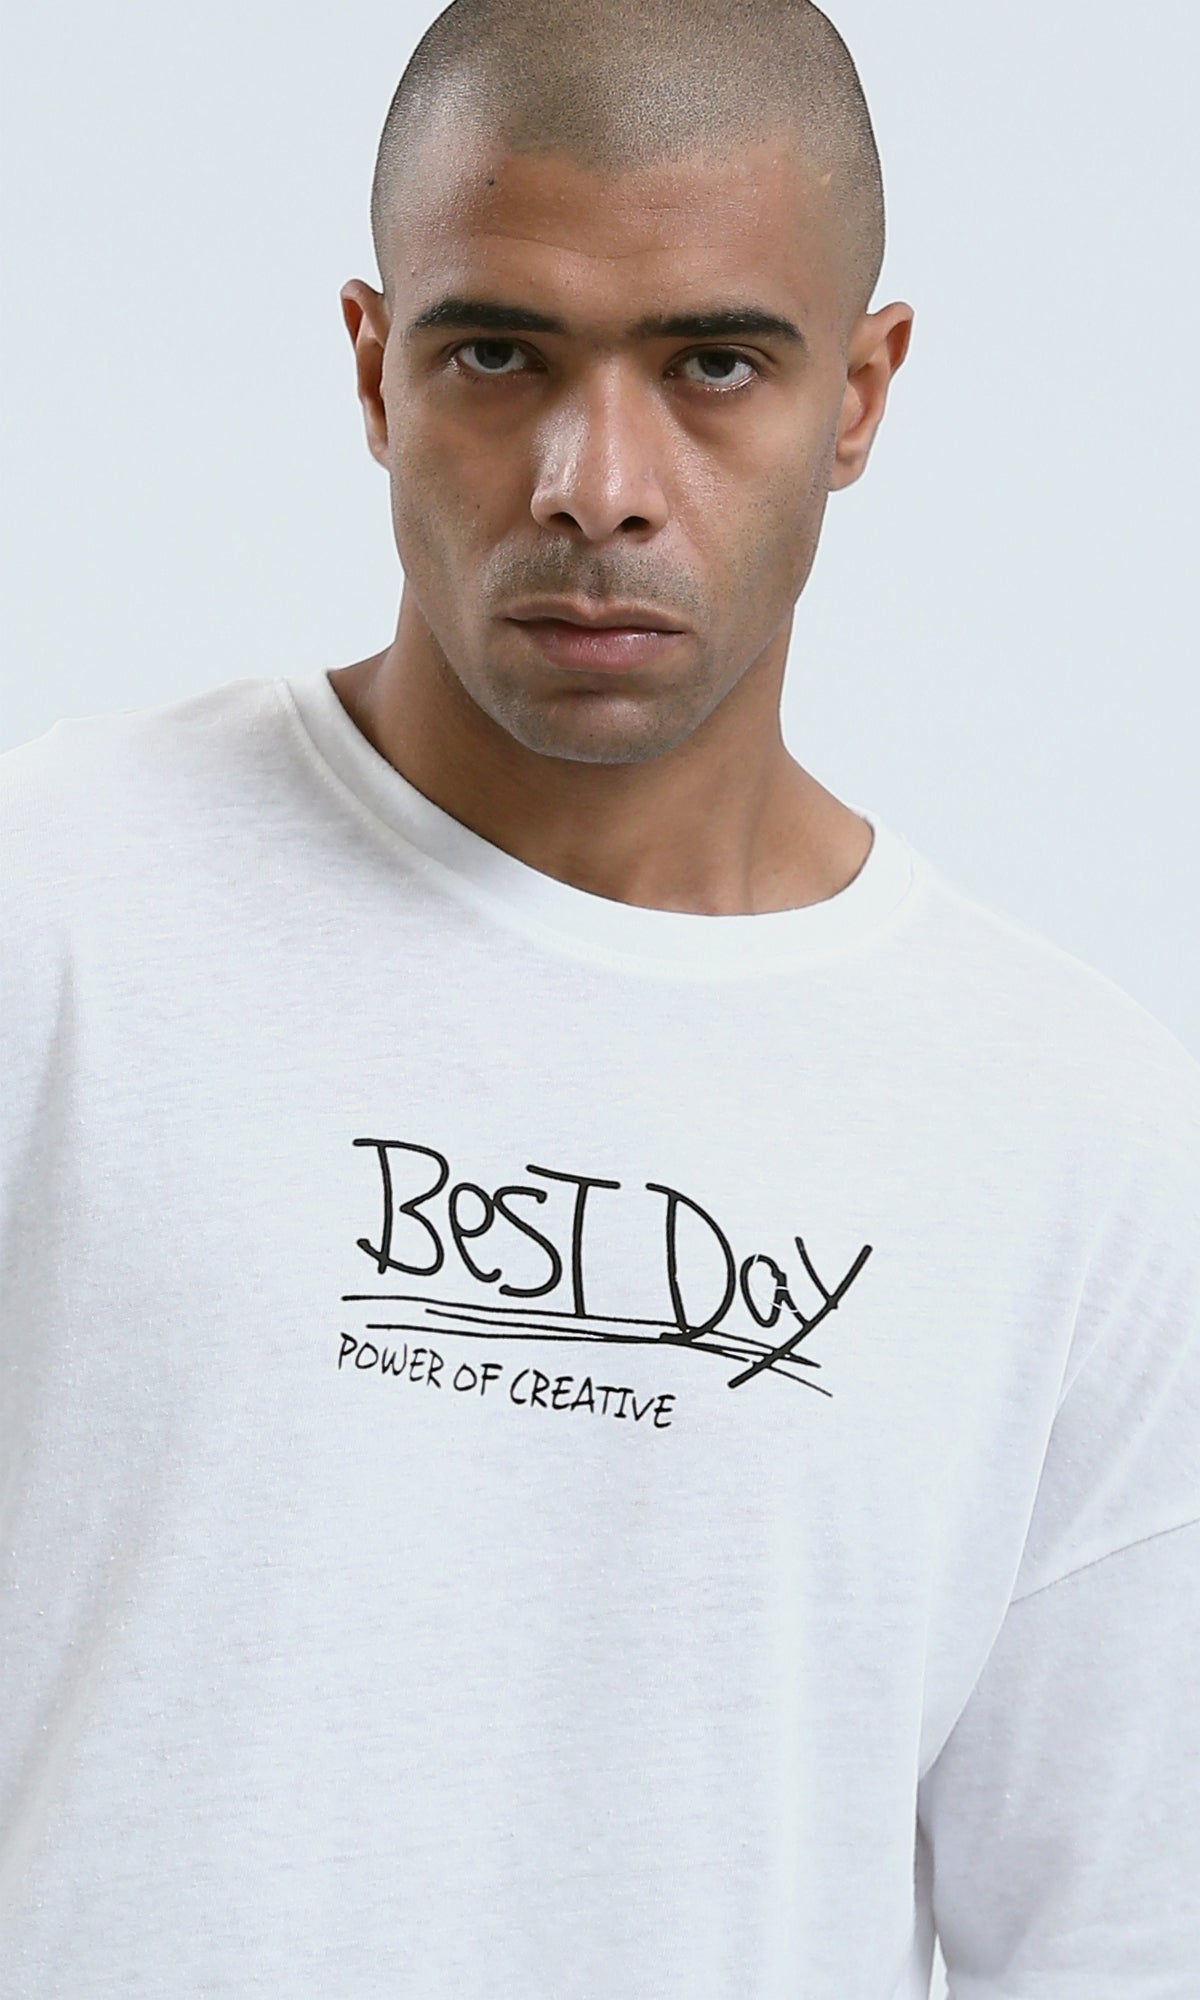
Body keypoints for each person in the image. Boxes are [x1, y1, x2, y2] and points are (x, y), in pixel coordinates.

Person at [2, 0, 1197, 1993]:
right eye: (500, 354)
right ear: (376, 367)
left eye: (714, 363)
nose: (596, 481)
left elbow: (1116, 1939)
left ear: (859, 394)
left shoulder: (1081, 1137)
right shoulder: (52, 911)